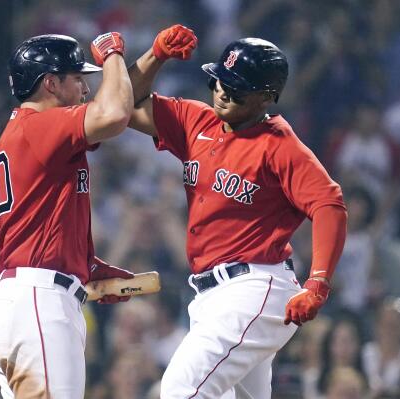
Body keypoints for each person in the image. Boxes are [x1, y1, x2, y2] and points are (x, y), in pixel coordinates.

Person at [127, 25, 348, 398]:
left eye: (237, 87)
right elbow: (121, 105)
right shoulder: (197, 121)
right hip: (209, 296)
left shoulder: (279, 145)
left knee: (182, 389)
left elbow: (330, 204)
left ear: (266, 97)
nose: (223, 91)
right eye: (219, 80)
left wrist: (319, 282)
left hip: (254, 288)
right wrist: (155, 56)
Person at [0, 32, 134, 398]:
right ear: (50, 83)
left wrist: (86, 264)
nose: (85, 87)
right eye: (77, 78)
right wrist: (112, 53)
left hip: (26, 296)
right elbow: (114, 112)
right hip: (39, 301)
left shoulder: (31, 130)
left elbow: (118, 101)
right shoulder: (41, 125)